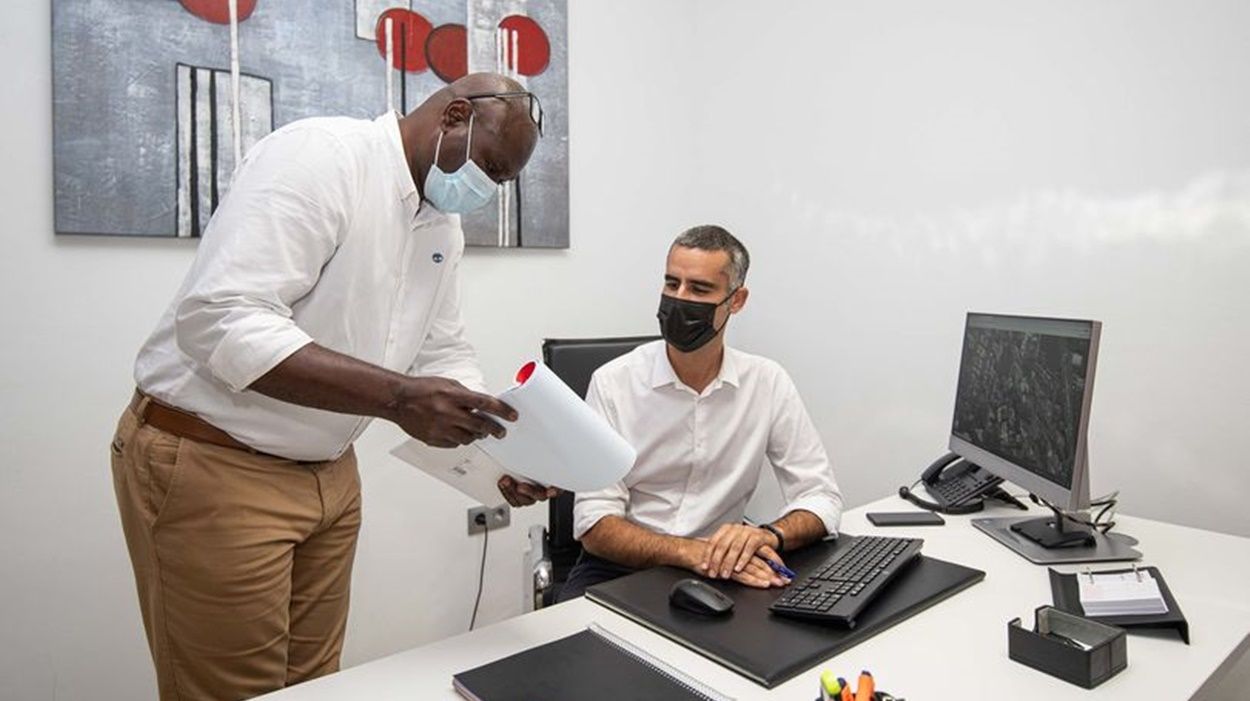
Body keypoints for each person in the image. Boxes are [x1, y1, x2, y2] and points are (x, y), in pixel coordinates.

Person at [111, 73, 552, 701]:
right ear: (454, 116)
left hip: (328, 476)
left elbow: (443, 349)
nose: (488, 189)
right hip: (217, 461)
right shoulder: (323, 159)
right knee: (233, 691)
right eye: (490, 166)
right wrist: (398, 399)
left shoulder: (439, 224)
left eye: (502, 181)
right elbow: (220, 318)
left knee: (313, 687)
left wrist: (498, 456)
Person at [558, 225, 843, 601]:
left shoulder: (767, 382)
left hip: (724, 566)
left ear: (736, 301)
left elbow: (821, 496)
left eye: (699, 289)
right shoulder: (614, 383)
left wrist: (767, 534)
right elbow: (595, 525)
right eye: (671, 283)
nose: (680, 298)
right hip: (622, 567)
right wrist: (692, 553)